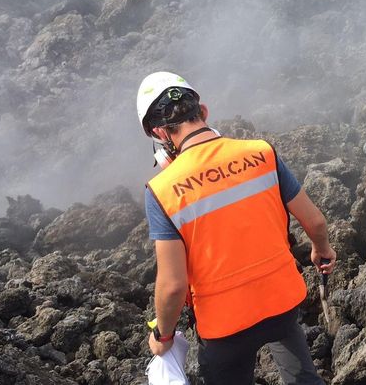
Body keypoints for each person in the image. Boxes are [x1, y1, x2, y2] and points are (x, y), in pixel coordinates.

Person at [136, 71, 336, 384]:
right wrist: (322, 250)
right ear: (203, 112)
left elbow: (173, 285)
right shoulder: (261, 153)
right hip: (282, 303)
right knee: (303, 378)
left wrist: (163, 335)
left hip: (224, 326)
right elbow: (315, 221)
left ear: (160, 133)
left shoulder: (162, 191)